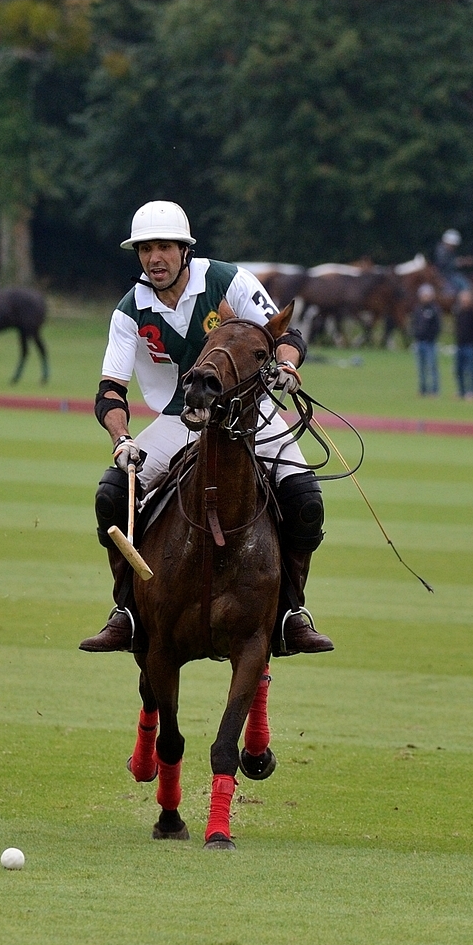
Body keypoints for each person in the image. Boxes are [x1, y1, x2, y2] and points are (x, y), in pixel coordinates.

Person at [80, 200, 333, 657]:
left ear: (185, 250)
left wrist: (286, 367)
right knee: (112, 494)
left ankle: (292, 612)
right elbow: (110, 392)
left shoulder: (228, 281)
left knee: (305, 499)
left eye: (164, 247)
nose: (154, 258)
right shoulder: (130, 310)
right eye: (145, 249)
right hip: (179, 419)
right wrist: (122, 440)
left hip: (247, 416)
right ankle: (126, 611)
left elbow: (286, 335)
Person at [411, 283, 442, 397]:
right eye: (423, 295)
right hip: (419, 342)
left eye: (427, 295)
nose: (425, 297)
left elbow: (437, 326)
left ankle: (434, 390)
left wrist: (431, 336)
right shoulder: (418, 309)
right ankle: (423, 389)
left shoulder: (434, 309)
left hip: (430, 343)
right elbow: (414, 324)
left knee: (432, 367)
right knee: (421, 368)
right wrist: (415, 335)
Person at [453, 290, 473, 400]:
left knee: (471, 370)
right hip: (460, 345)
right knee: (459, 370)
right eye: (462, 300)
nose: (464, 302)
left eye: (466, 300)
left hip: (470, 346)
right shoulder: (459, 313)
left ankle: (472, 391)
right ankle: (461, 391)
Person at [433, 229, 469, 297]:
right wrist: (457, 263)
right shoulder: (441, 252)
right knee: (464, 284)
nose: (454, 247)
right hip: (445, 274)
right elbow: (442, 265)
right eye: (453, 245)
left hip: (448, 273)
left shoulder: (444, 250)